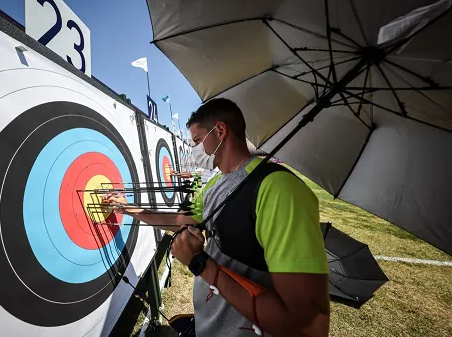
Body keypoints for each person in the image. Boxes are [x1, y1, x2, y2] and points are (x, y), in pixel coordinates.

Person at [105, 98, 329, 336]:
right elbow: (178, 222)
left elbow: (306, 324)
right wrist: (128, 207)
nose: (195, 150)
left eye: (198, 141)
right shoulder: (215, 183)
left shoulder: (279, 188)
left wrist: (199, 263)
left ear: (220, 131)